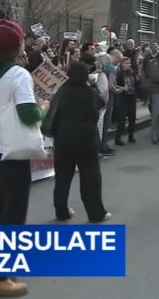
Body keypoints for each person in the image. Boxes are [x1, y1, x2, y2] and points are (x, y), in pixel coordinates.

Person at [0, 19, 43, 297]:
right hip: (10, 154)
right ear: (16, 46)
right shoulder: (18, 75)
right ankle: (0, 278)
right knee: (13, 216)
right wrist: (43, 108)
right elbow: (28, 114)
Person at [45, 61, 111, 222]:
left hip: (63, 139)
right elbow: (102, 103)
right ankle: (96, 213)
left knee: (62, 179)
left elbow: (53, 114)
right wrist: (91, 84)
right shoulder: (90, 93)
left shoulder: (62, 91)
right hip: (86, 140)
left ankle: (61, 211)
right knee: (90, 178)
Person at [114, 57, 137, 145]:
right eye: (127, 63)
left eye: (129, 63)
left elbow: (136, 83)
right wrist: (123, 88)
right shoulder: (118, 73)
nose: (129, 65)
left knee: (132, 117)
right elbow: (114, 84)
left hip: (131, 96)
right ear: (122, 64)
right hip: (122, 96)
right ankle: (118, 138)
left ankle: (131, 135)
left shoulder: (132, 72)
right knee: (122, 118)